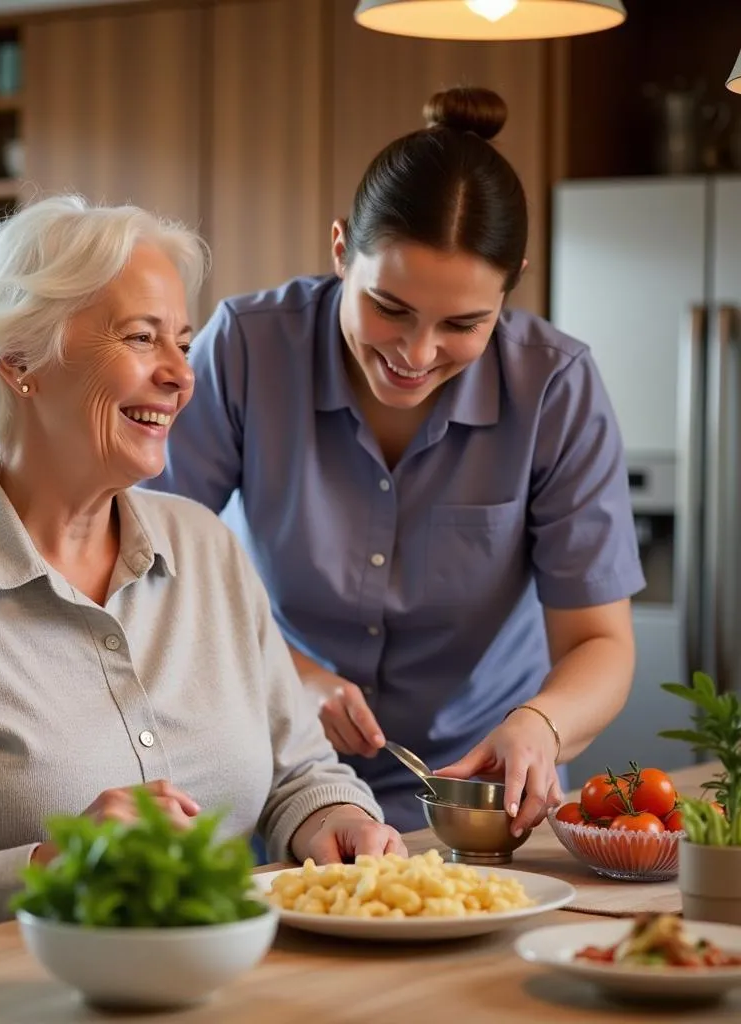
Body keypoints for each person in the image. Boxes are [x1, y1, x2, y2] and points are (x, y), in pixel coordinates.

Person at [0, 195, 402, 965]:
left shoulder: (207, 548)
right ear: (20, 363)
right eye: (141, 338)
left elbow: (299, 772)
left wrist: (336, 816)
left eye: (182, 343)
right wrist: (47, 869)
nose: (181, 376)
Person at [143, 86, 644, 836]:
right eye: (391, 308)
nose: (416, 353)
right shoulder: (247, 348)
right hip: (281, 769)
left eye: (464, 324)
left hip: (480, 792)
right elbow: (150, 560)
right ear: (342, 248)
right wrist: (291, 677)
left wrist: (541, 723)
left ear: (512, 286)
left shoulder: (555, 386)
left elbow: (599, 643)